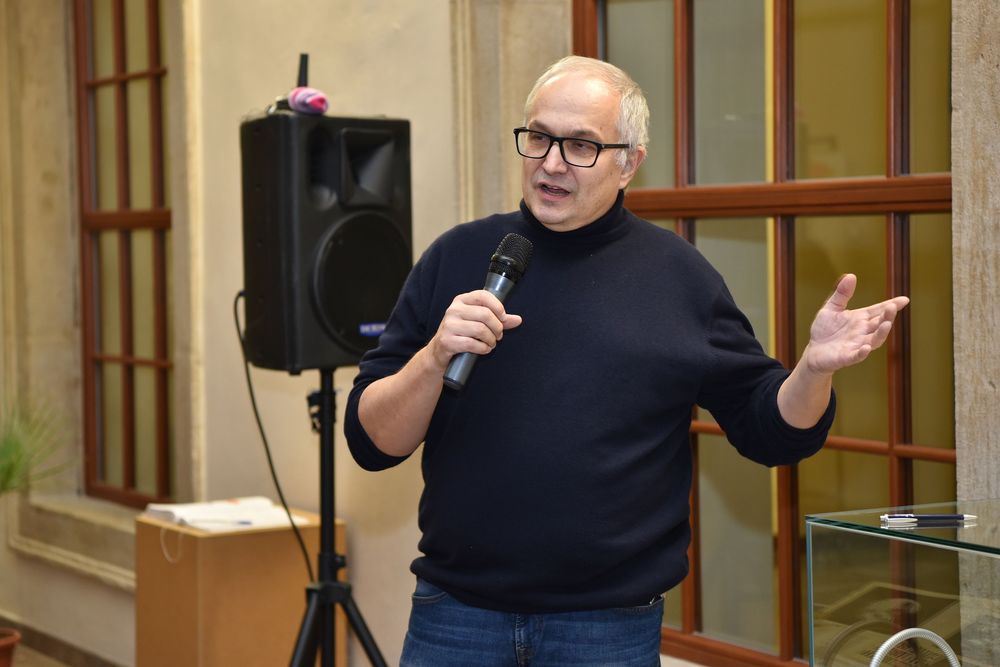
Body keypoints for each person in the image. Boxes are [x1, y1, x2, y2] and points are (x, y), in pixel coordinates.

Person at [344, 55, 908, 666]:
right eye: (539, 137)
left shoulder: (677, 277)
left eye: (581, 145)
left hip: (605, 628)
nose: (552, 163)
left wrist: (813, 370)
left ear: (629, 163)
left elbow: (769, 431)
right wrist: (434, 358)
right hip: (456, 616)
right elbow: (372, 442)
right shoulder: (458, 256)